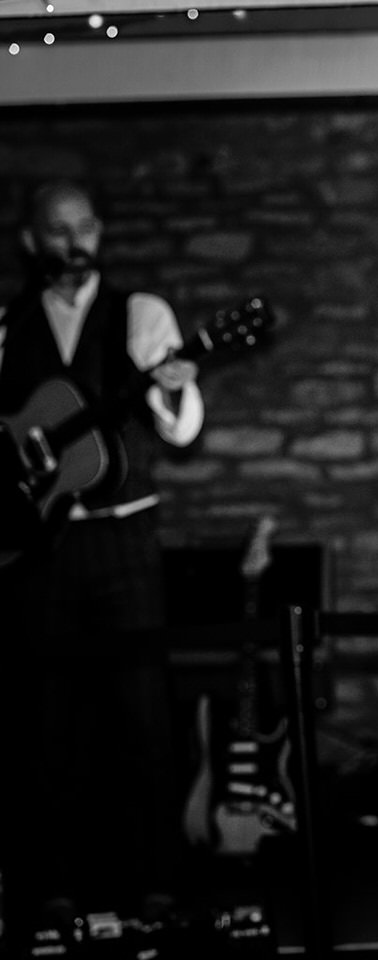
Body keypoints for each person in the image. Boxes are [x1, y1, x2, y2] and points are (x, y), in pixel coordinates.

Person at [0, 180, 203, 931]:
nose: (74, 241)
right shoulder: (8, 324)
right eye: (57, 230)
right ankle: (53, 887)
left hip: (122, 536)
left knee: (142, 713)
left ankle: (155, 883)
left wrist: (176, 387)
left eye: (85, 226)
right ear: (32, 242)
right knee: (46, 720)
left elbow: (177, 430)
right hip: (37, 547)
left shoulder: (140, 314)